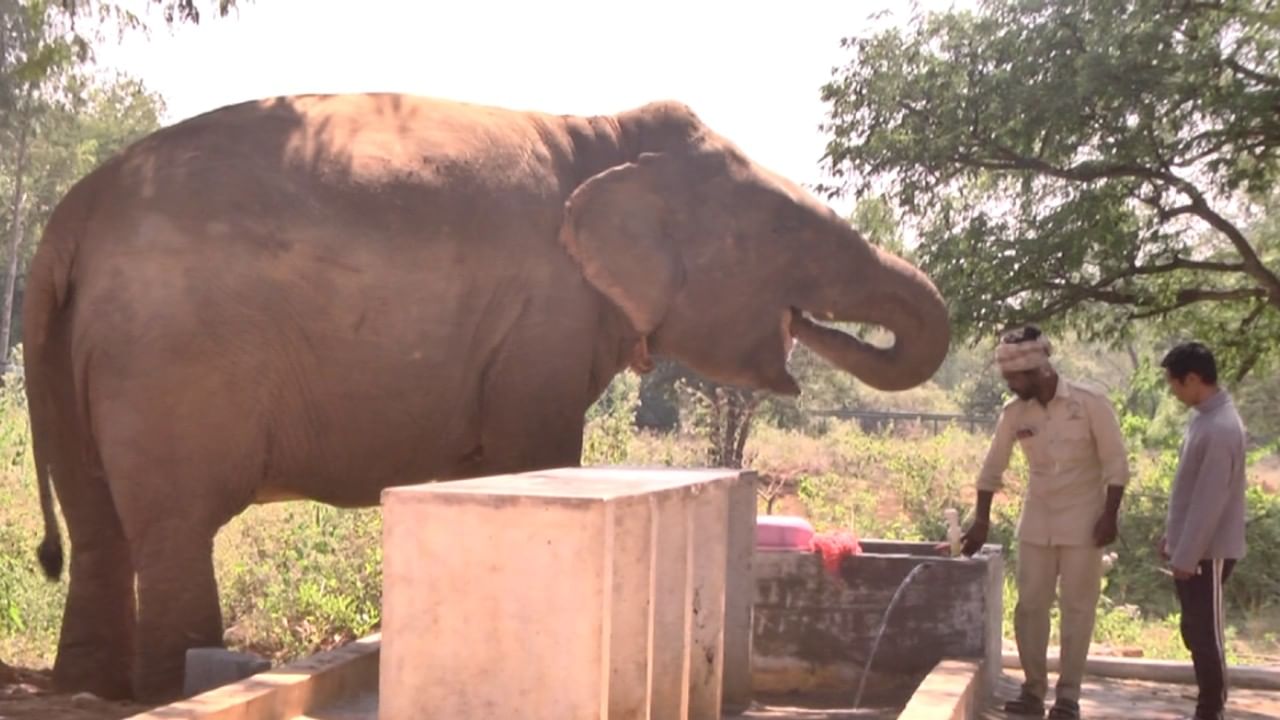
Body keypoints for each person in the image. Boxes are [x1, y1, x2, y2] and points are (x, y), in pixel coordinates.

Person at [958, 326, 1129, 719]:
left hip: (1085, 522)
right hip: (1037, 520)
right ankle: (1033, 689)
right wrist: (980, 520)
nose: (1010, 385)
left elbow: (1116, 465)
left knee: (1078, 609)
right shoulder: (1015, 413)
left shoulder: (1089, 404)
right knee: (1030, 607)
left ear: (1038, 371)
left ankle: (1068, 696)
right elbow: (992, 469)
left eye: (1014, 378)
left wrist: (1110, 514)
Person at [1158, 342, 1247, 720]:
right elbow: (1187, 491)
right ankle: (1207, 702)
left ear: (1193, 379)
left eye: (1174, 384)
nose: (1173, 392)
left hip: (1208, 553)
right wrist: (1173, 539)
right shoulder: (1203, 419)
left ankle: (1211, 707)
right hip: (1192, 550)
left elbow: (1209, 503)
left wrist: (1188, 554)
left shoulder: (1221, 427)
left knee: (1207, 633)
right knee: (1193, 629)